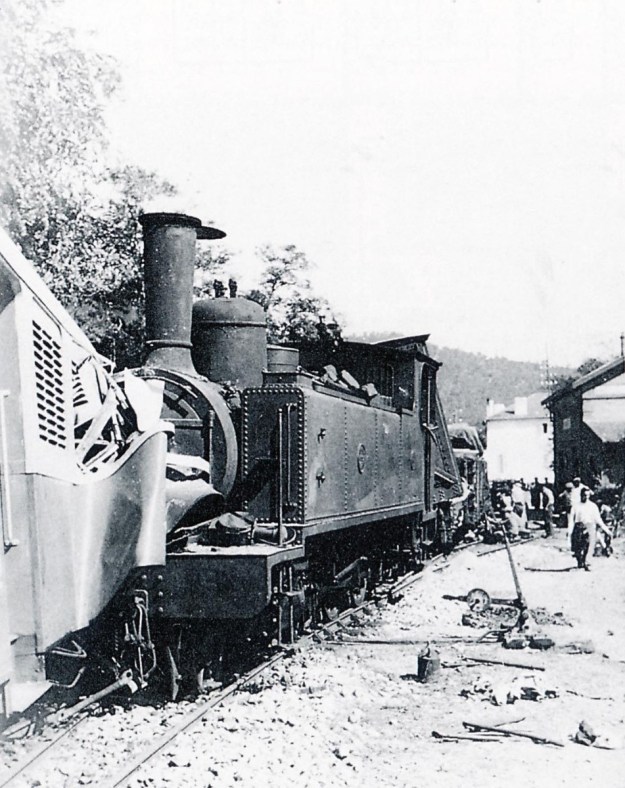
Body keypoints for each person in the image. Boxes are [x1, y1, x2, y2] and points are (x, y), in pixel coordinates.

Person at [571, 488, 602, 570]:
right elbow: (571, 519)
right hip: (578, 526)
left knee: (588, 545)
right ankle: (579, 561)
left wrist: (606, 529)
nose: (586, 497)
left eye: (588, 495)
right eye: (584, 495)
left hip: (589, 526)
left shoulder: (593, 506)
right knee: (577, 546)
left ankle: (585, 562)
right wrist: (570, 530)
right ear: (581, 495)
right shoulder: (576, 506)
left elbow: (598, 519)